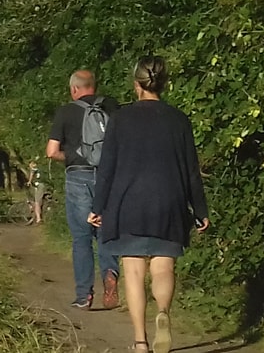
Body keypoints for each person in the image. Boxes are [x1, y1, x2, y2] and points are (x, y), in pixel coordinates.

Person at [88, 57, 209, 353]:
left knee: (133, 272)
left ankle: (141, 342)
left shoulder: (120, 119)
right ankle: (163, 314)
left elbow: (108, 167)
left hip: (127, 203)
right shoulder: (179, 119)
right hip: (169, 201)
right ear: (164, 84)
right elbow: (190, 169)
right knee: (163, 268)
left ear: (136, 84)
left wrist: (98, 206)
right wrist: (200, 211)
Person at [48, 69, 120, 309]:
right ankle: (110, 273)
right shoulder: (112, 106)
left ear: (74, 89)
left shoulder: (66, 111)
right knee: (105, 232)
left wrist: (71, 157)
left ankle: (84, 295)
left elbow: (51, 151)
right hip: (110, 176)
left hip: (78, 175)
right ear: (94, 85)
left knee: (81, 238)